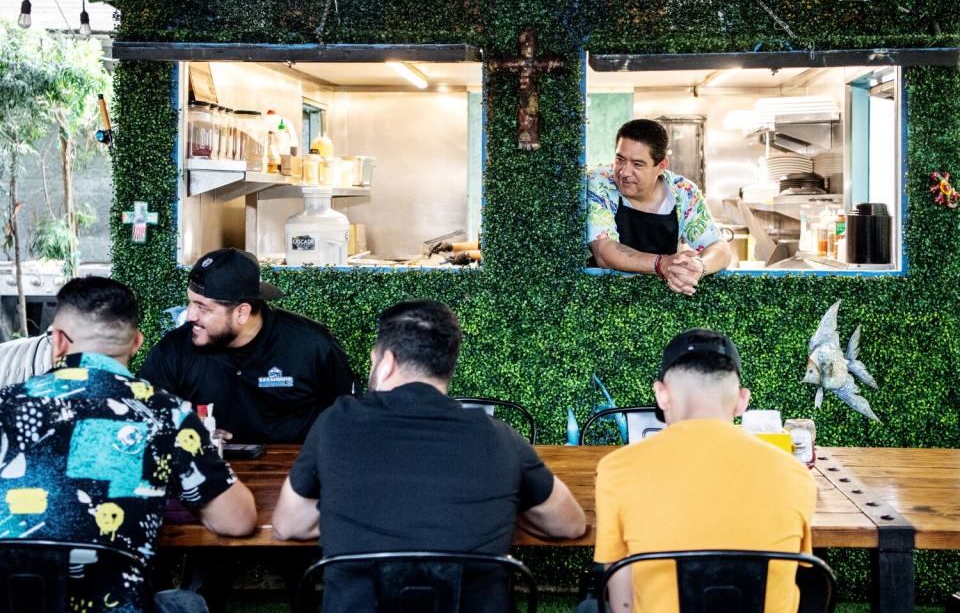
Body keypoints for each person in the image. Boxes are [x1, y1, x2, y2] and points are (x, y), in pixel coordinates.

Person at [272, 299, 586, 612]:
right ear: (447, 365)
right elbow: (569, 524)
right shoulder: (498, 436)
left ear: (387, 363)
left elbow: (289, 525)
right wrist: (496, 512)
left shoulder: (335, 424)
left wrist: (350, 513)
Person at [0, 276, 257, 613]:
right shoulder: (168, 415)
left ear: (59, 341)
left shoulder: (6, 403)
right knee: (189, 603)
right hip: (116, 604)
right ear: (136, 343)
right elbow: (236, 522)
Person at [582, 328, 816, 613]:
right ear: (742, 401)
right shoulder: (795, 474)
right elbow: (800, 568)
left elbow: (623, 600)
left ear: (662, 395)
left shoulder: (615, 470)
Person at [140, 248, 359, 444]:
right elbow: (143, 416)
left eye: (202, 307)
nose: (190, 315)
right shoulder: (174, 349)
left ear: (242, 312)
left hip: (295, 477)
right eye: (190, 302)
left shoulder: (312, 344)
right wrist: (181, 428)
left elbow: (347, 417)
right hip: (208, 478)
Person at [586, 119, 731, 295]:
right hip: (602, 297)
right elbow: (604, 251)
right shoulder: (599, 183)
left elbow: (719, 248)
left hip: (660, 299)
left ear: (661, 166)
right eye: (620, 159)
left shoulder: (683, 192)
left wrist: (698, 267)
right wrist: (662, 264)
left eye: (637, 164)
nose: (624, 172)